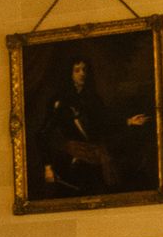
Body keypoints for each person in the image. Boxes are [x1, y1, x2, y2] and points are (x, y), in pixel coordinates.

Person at [33, 57, 152, 197]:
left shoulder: (93, 99)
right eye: (77, 70)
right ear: (69, 74)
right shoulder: (59, 102)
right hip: (71, 160)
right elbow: (42, 134)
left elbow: (105, 123)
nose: (82, 73)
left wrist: (130, 121)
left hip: (96, 158)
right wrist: (48, 167)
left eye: (84, 69)